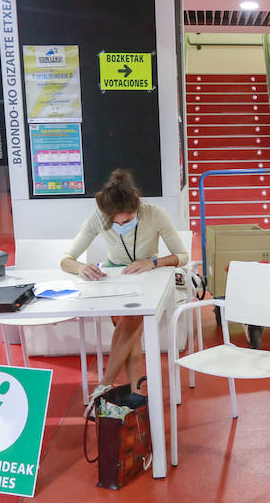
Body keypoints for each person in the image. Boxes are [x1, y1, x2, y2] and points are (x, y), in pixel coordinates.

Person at [60, 170, 188, 401]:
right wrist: (80, 267)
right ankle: (136, 394)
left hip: (152, 276)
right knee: (131, 331)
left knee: (130, 320)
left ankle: (106, 383)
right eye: (115, 223)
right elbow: (66, 259)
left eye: (127, 221)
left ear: (136, 210)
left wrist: (152, 262)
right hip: (117, 280)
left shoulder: (154, 214)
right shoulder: (99, 217)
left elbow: (182, 256)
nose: (120, 225)